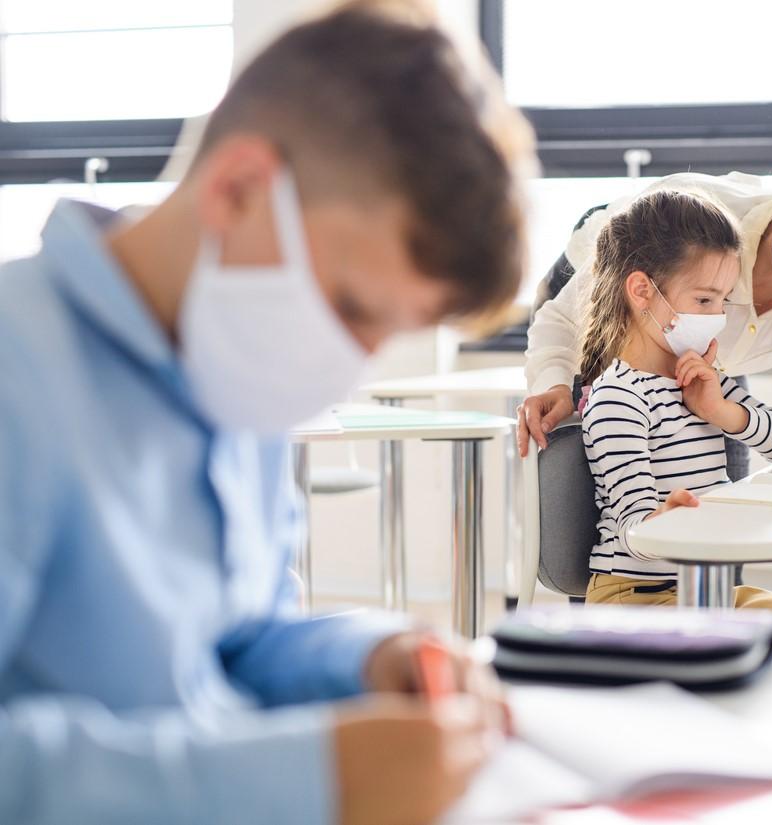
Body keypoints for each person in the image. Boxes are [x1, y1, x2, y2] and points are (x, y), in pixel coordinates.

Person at [0, 4, 535, 824]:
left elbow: (231, 645)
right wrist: (306, 782)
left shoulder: (231, 371)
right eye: (353, 308)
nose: (351, 363)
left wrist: (366, 659)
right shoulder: (20, 370)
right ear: (240, 189)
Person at [581, 190, 772, 667]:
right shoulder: (617, 398)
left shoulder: (708, 380)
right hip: (637, 599)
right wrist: (666, 520)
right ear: (642, 290)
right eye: (704, 299)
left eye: (723, 301)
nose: (715, 317)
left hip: (705, 590)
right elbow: (632, 529)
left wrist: (725, 412)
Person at [519, 128, 772, 488]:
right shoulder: (701, 221)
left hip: (706, 362)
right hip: (603, 289)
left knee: (721, 486)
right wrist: (554, 384)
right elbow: (560, 319)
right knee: (593, 481)